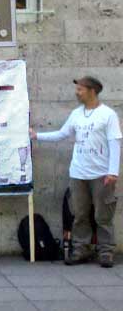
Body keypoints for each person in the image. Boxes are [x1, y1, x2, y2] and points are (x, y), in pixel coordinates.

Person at [30, 76, 122, 268]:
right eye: (77, 89)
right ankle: (81, 249)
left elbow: (115, 144)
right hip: (78, 174)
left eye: (80, 89)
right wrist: (36, 135)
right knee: (80, 215)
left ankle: (105, 251)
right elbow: (62, 134)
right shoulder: (76, 114)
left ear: (92, 91)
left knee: (102, 216)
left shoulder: (108, 115)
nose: (77, 92)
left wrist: (112, 172)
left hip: (101, 174)